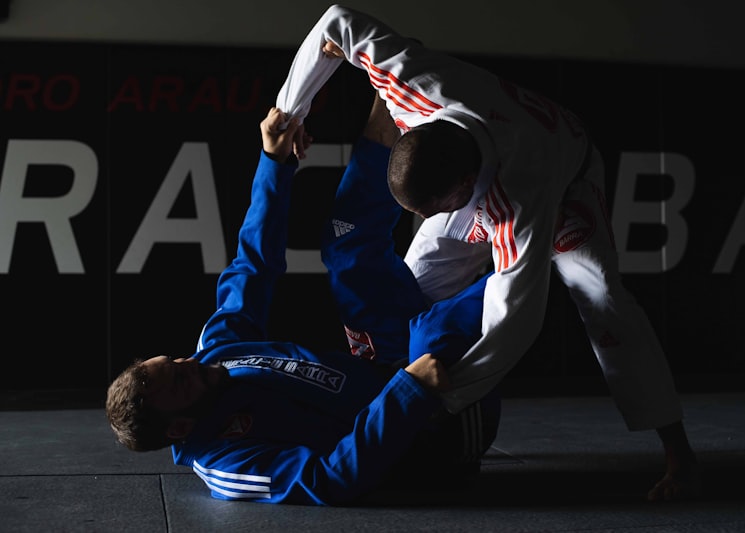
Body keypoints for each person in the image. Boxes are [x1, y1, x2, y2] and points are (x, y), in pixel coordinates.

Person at [274, 4, 700, 501]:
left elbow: (513, 326)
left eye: (439, 209)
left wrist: (439, 396)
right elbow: (336, 21)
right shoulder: (415, 85)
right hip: (481, 149)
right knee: (418, 301)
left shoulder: (524, 199)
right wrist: (291, 111)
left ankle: (680, 454)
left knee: (603, 299)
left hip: (567, 179)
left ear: (462, 187)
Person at [105, 95, 500, 506]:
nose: (189, 364)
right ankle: (536, 247)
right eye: (181, 380)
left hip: (388, 368)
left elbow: (252, 267)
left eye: (175, 360)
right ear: (177, 428)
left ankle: (391, 102)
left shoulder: (213, 355)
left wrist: (273, 164)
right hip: (434, 428)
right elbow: (333, 478)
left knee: (345, 244)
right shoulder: (227, 464)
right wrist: (410, 392)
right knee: (433, 331)